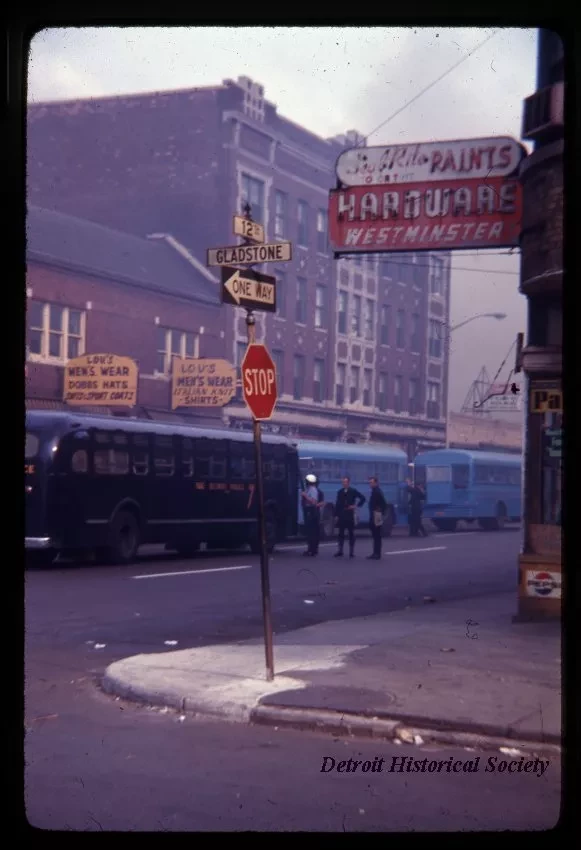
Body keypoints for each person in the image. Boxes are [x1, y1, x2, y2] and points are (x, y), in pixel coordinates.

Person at [334, 476, 366, 558]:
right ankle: (340, 551)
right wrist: (336, 515)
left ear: (348, 483)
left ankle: (351, 552)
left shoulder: (353, 491)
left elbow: (363, 498)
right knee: (340, 533)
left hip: (349, 514)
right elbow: (337, 504)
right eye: (343, 482)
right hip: (341, 514)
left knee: (351, 533)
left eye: (345, 482)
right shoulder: (340, 492)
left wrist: (355, 506)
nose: (344, 483)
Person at [301, 473, 325, 556]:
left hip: (313, 513)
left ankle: (313, 549)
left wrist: (305, 496)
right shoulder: (308, 489)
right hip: (309, 512)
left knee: (313, 532)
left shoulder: (315, 490)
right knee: (310, 532)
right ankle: (310, 549)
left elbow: (316, 502)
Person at [367, 476, 388, 560]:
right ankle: (375, 552)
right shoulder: (374, 491)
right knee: (375, 535)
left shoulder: (377, 492)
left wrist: (379, 510)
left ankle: (377, 553)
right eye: (369, 482)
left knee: (377, 535)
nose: (370, 484)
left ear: (376, 483)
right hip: (374, 514)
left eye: (372, 482)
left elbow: (384, 504)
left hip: (377, 515)